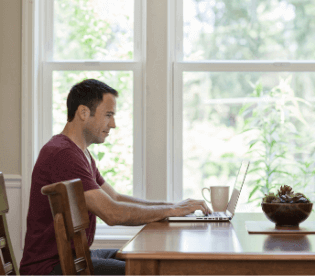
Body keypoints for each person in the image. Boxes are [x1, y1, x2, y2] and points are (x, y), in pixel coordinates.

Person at [19, 79, 211, 275]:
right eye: (108, 115)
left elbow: (116, 198)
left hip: (73, 258)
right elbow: (112, 213)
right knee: (147, 270)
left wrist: (173, 207)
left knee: (149, 259)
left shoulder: (79, 153)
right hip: (49, 268)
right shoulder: (63, 154)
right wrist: (170, 210)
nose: (113, 124)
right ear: (84, 112)